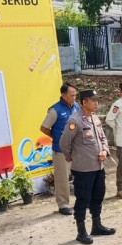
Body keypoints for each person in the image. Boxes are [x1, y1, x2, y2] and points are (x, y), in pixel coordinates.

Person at [58, 89, 116, 245]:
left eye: (97, 100)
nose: (96, 103)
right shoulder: (75, 120)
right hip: (83, 170)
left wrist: (104, 151)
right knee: (83, 200)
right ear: (84, 102)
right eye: (93, 100)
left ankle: (96, 226)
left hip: (98, 167)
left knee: (98, 196)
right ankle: (81, 231)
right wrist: (74, 158)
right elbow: (64, 143)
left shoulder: (95, 119)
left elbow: (103, 138)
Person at [40, 83, 79, 215]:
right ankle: (63, 205)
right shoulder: (55, 110)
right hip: (61, 150)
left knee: (80, 174)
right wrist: (56, 137)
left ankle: (81, 200)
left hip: (77, 148)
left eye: (75, 95)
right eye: (71, 95)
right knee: (62, 177)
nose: (74, 98)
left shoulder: (76, 107)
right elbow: (44, 128)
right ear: (63, 95)